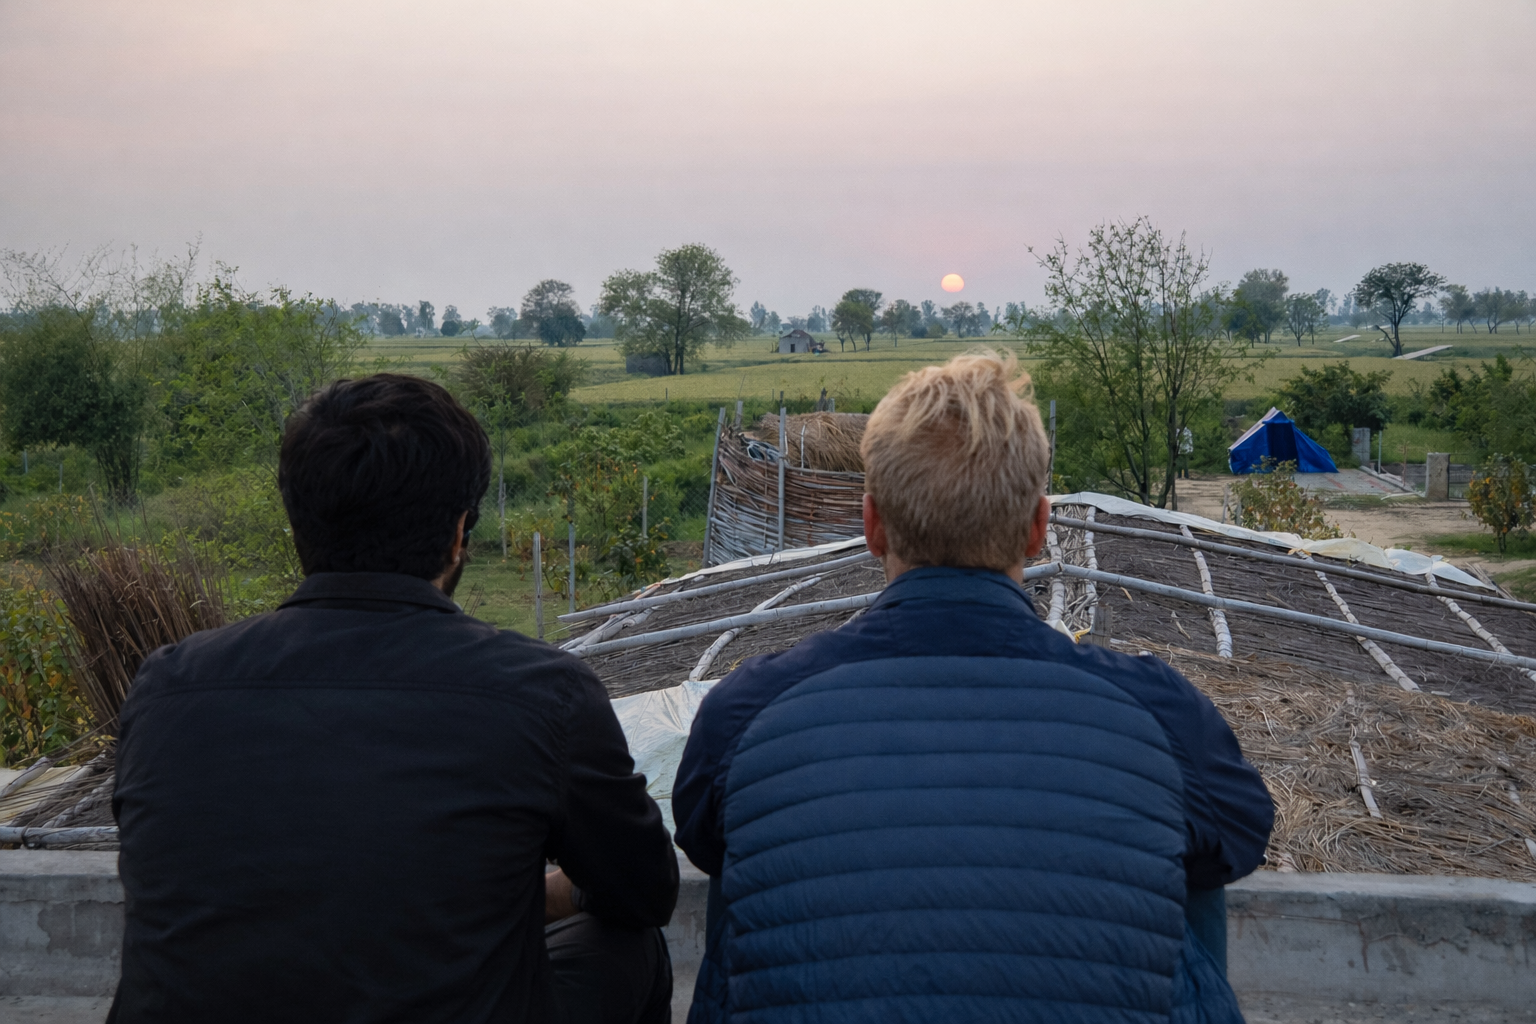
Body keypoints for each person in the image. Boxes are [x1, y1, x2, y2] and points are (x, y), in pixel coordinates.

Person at [672, 352, 1273, 1024]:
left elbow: (698, 836)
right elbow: (1243, 833)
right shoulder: (1155, 708)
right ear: (1039, 528)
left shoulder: (749, 707)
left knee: (753, 849)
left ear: (871, 526)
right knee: (1188, 856)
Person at [110, 374, 678, 1024]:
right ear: (461, 532)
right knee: (624, 943)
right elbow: (643, 891)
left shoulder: (167, 687)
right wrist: (533, 894)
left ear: (299, 519)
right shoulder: (541, 693)